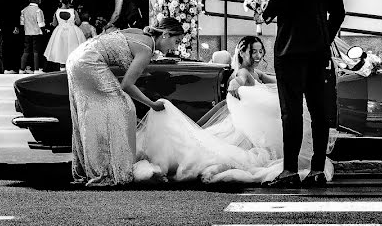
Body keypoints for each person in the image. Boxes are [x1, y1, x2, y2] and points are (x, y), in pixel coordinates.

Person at [133, 34, 334, 185]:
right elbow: (237, 80)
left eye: (260, 51)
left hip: (255, 127)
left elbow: (282, 84)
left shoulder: (258, 73)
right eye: (253, 51)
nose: (257, 55)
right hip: (245, 128)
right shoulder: (244, 73)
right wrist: (234, 85)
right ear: (242, 52)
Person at [260, 0, 345, 188]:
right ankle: (318, 169)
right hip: (318, 51)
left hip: (289, 49)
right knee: (319, 110)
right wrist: (324, 39)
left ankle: (290, 171)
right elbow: (339, 11)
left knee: (291, 111)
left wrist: (265, 14)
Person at [66, 17, 184, 187]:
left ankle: (97, 167)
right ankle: (116, 170)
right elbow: (127, 85)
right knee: (124, 108)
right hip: (88, 61)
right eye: (176, 41)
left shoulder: (140, 34)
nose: (176, 47)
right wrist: (152, 104)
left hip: (76, 57)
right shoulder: (146, 49)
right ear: (165, 35)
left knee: (92, 115)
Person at [44, 0, 86, 70]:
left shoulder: (57, 11)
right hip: (73, 33)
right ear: (70, 1)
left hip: (60, 33)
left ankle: (62, 70)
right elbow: (79, 22)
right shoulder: (73, 11)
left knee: (61, 50)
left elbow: (54, 24)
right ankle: (71, 70)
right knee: (72, 50)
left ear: (61, 1)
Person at [0, 0, 20, 73]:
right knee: (12, 46)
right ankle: (12, 67)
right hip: (11, 24)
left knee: (4, 45)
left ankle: (6, 67)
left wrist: (0, 24)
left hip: (2, 24)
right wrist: (16, 26)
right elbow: (14, 12)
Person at [19, 0, 46, 73]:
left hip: (27, 32)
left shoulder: (24, 10)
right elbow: (41, 24)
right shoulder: (38, 10)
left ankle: (22, 69)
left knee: (26, 51)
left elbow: (22, 23)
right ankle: (36, 69)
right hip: (37, 33)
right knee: (36, 51)